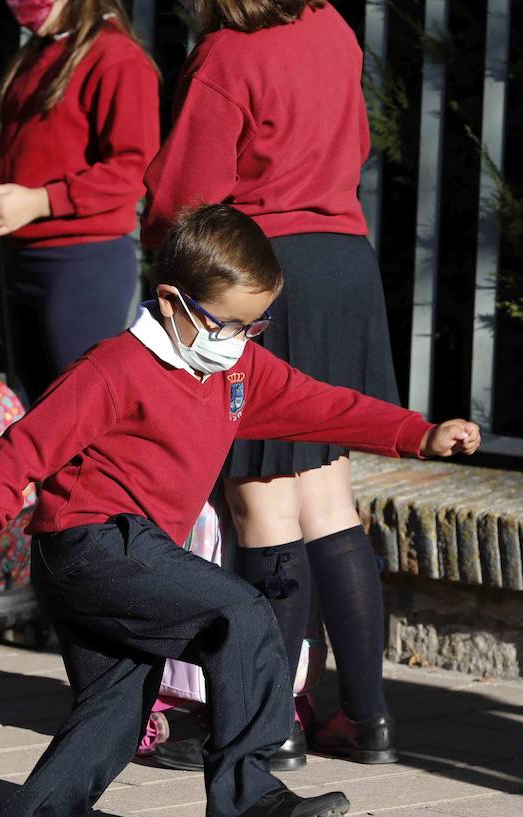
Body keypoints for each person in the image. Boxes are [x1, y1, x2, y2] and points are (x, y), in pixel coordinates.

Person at [0, 205, 480, 817]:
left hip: (125, 556)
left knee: (108, 724)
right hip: (91, 542)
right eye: (227, 323)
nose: (240, 341)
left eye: (255, 326)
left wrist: (420, 433)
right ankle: (246, 798)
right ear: (172, 302)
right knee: (240, 613)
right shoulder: (115, 368)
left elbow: (326, 407)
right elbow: (25, 445)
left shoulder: (233, 371)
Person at [143, 0, 406, 768]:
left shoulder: (227, 56)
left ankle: (267, 729)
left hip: (265, 274)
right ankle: (369, 721)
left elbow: (184, 200)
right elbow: (354, 141)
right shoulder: (332, 27)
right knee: (328, 498)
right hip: (344, 263)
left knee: (261, 506)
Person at [0, 0, 159, 404]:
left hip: (81, 265)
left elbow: (132, 169)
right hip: (23, 259)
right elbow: (29, 156)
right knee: (32, 414)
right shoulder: (40, 53)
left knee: (79, 415)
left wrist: (42, 201)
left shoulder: (118, 57)